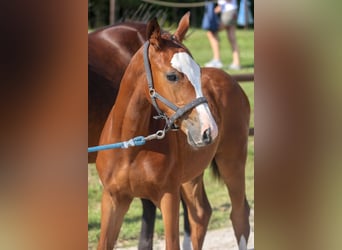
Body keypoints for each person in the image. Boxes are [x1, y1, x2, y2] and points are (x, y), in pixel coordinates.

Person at [204, 0, 241, 70]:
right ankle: (237, 63)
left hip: (229, 12)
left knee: (211, 32)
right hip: (232, 11)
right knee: (232, 38)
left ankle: (217, 59)